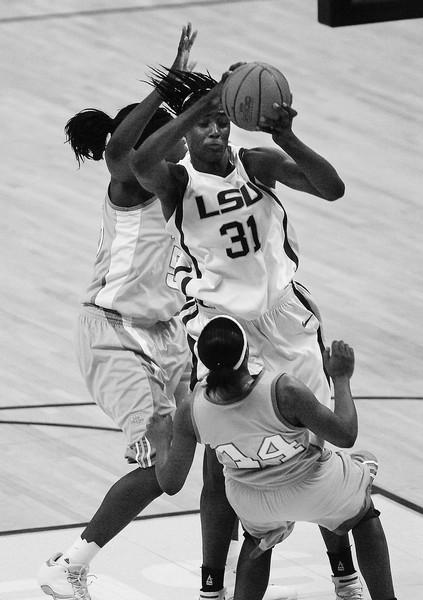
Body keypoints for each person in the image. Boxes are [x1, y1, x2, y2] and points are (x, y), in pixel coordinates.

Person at [129, 67, 364, 599]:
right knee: (222, 457)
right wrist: (203, 100)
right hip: (223, 330)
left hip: (286, 317)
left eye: (221, 122)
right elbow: (141, 161)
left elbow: (333, 188)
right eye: (204, 126)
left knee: (318, 437)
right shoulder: (177, 180)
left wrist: (286, 136)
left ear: (234, 124)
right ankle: (213, 583)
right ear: (187, 133)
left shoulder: (258, 165)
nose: (213, 132)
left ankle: (343, 571)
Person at [37, 24, 197, 600]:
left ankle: (231, 558)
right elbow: (117, 149)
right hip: (116, 334)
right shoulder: (129, 187)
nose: (182, 145)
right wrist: (169, 85)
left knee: (189, 461)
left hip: (170, 334)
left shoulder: (175, 185)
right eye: (173, 137)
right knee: (165, 468)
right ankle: (69, 564)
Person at [146, 315, 398, 600]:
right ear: (246, 354)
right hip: (311, 487)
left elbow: (170, 482)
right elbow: (346, 435)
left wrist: (159, 441)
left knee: (257, 541)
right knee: (362, 508)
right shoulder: (282, 389)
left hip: (251, 501)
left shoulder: (191, 408)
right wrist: (341, 378)